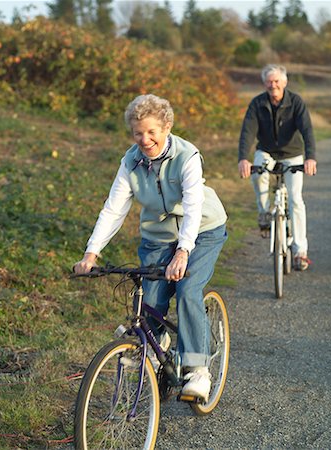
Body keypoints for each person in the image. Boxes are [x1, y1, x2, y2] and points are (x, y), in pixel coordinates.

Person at [74, 94, 228, 401]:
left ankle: (198, 370)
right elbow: (114, 210)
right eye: (137, 133)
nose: (144, 140)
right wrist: (91, 253)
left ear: (166, 127)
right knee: (152, 298)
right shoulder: (130, 162)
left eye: (151, 132)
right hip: (157, 236)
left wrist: (184, 251)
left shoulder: (187, 156)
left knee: (186, 289)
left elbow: (194, 207)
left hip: (202, 231)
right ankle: (156, 351)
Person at [238, 64, 317, 271]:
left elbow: (307, 130)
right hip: (266, 151)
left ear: (284, 82)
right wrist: (243, 159)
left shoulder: (296, 102)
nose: (273, 85)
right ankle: (264, 213)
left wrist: (310, 158)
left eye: (276, 81)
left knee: (295, 199)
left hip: (293, 154)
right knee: (258, 173)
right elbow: (247, 131)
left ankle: (300, 251)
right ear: (264, 83)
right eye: (269, 82)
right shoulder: (257, 103)